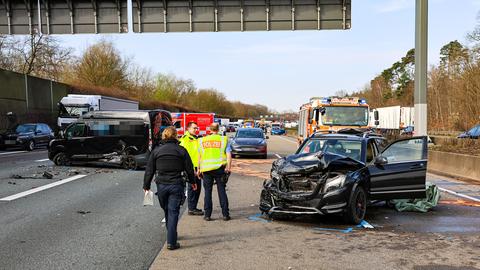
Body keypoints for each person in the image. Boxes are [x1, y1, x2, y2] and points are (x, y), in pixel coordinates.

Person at [143, 126, 195, 250]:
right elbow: (189, 168)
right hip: (176, 184)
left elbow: (150, 169)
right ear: (175, 135)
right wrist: (193, 182)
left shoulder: (157, 151)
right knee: (173, 211)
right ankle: (172, 239)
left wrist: (146, 185)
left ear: (164, 136)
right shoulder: (181, 150)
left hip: (161, 185)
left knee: (167, 209)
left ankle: (171, 237)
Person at [198, 122, 232, 221]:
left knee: (207, 192)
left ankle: (207, 215)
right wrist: (228, 168)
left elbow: (200, 156)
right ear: (218, 129)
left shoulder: (202, 140)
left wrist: (199, 169)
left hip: (207, 170)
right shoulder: (224, 139)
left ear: (210, 130)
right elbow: (229, 155)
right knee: (222, 191)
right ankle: (225, 214)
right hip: (220, 169)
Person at [178, 121, 204, 216]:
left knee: (197, 189)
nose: (196, 130)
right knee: (192, 188)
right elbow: (181, 155)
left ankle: (193, 207)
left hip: (198, 168)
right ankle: (191, 208)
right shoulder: (185, 140)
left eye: (197, 128)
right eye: (194, 128)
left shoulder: (195, 138)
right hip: (191, 168)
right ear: (188, 129)